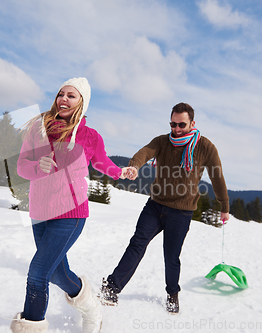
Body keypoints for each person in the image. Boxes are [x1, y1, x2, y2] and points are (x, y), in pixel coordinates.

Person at [12, 77, 134, 333]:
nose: (64, 99)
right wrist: (37, 167)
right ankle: (90, 305)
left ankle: (30, 328)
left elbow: (102, 163)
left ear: (82, 102)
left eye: (71, 95)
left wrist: (121, 172)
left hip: (71, 213)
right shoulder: (38, 129)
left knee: (37, 273)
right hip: (41, 213)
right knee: (56, 274)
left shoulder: (90, 136)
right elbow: (22, 167)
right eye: (61, 94)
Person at [99, 102, 230, 314]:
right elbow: (145, 152)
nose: (176, 129)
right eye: (173, 124)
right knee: (137, 243)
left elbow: (217, 177)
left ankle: (172, 294)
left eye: (181, 124)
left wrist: (224, 206)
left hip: (181, 211)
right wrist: (134, 165)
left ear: (192, 123)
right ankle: (112, 288)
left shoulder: (205, 147)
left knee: (171, 256)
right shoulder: (162, 141)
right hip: (155, 205)